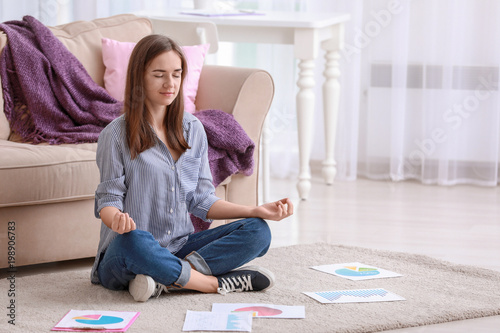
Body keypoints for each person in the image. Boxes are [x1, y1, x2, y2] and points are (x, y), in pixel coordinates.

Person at [90, 34, 294, 302]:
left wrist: (254, 210)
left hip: (179, 246)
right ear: (139, 77)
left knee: (258, 231)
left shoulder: (193, 129)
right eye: (159, 74)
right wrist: (115, 217)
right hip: (126, 252)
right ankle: (210, 284)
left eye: (176, 74)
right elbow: (108, 200)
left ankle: (167, 279)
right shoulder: (115, 135)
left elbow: (201, 199)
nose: (170, 84)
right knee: (135, 240)